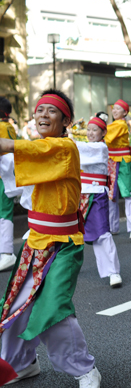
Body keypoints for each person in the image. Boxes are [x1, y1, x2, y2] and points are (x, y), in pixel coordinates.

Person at [0, 90, 101, 387]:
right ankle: (21, 364)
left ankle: (85, 369)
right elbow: (9, 167)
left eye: (51, 111)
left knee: (53, 309)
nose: (43, 115)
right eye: (39, 109)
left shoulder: (63, 148)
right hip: (34, 242)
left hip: (62, 244)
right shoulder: (39, 150)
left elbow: (9, 147)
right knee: (16, 307)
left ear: (66, 120)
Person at [75, 113, 122, 288]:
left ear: (103, 133)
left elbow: (77, 149)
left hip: (96, 194)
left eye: (95, 130)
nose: (90, 132)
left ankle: (113, 272)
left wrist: (64, 141)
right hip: (80, 195)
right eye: (88, 129)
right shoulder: (87, 146)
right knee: (72, 234)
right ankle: (68, 267)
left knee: (102, 233)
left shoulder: (101, 148)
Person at [105, 99, 131, 241]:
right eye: (114, 108)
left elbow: (105, 136)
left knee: (128, 194)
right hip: (112, 161)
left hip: (123, 162)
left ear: (125, 112)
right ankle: (113, 227)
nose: (114, 111)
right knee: (111, 195)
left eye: (118, 109)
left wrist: (88, 130)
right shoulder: (114, 124)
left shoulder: (120, 124)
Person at [0, 97, 18, 272]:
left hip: (2, 177)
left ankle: (6, 253)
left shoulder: (2, 127)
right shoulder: (9, 126)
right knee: (4, 213)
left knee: (4, 213)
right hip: (6, 175)